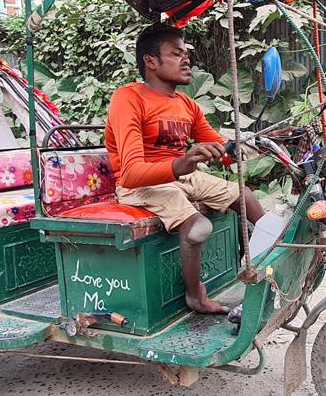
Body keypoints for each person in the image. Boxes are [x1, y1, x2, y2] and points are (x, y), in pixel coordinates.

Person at [105, 24, 265, 315]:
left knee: (246, 197)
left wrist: (255, 144)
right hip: (139, 186)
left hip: (180, 177)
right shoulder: (128, 98)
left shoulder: (187, 105)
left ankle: (269, 269)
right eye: (176, 53)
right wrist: (181, 164)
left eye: (186, 53)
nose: (186, 59)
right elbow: (130, 173)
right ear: (151, 62)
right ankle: (195, 297)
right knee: (198, 227)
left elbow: (222, 151)